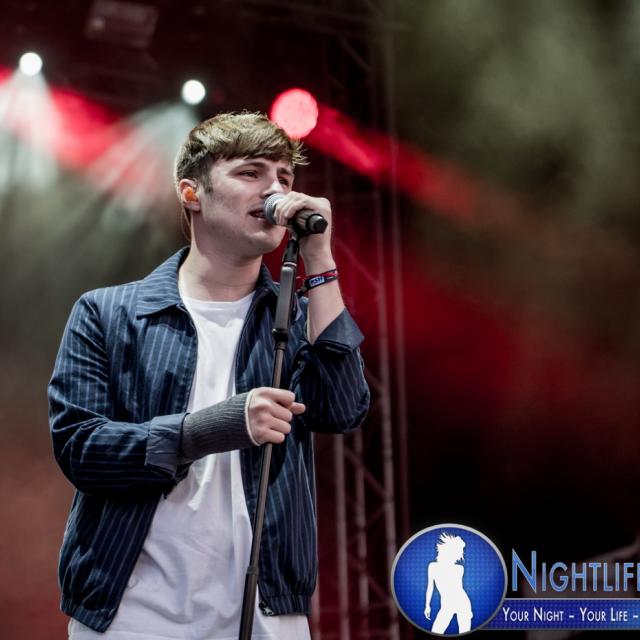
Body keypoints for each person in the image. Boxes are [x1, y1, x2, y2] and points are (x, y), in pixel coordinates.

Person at [48, 111, 370, 639]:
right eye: (251, 172)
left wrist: (320, 258)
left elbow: (342, 409)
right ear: (191, 192)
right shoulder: (108, 313)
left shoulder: (297, 318)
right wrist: (213, 427)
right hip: (132, 611)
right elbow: (81, 448)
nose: (275, 189)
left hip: (268, 609)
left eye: (284, 177)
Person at [424, 533, 473, 634]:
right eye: (459, 551)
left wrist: (467, 611)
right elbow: (430, 587)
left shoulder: (459, 569)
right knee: (436, 631)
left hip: (462, 603)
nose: (460, 555)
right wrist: (427, 605)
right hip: (446, 605)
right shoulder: (432, 567)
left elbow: (458, 589)